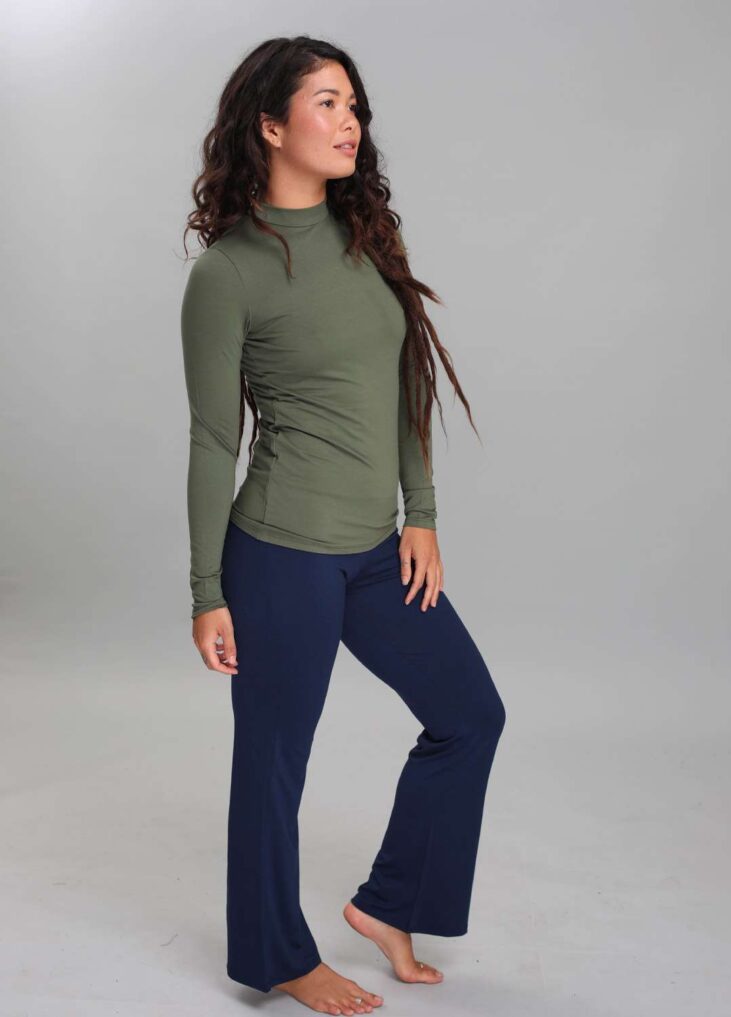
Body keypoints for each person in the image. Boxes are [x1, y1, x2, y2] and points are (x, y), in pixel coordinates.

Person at [179, 35, 506, 1017]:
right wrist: (206, 591)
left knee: (469, 716)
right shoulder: (228, 273)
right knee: (273, 763)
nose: (349, 121)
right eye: (326, 103)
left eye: (353, 104)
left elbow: (402, 385)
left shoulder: (366, 243)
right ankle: (277, 955)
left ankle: (390, 904)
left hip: (375, 551)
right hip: (279, 554)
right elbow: (212, 439)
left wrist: (422, 514)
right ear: (271, 126)